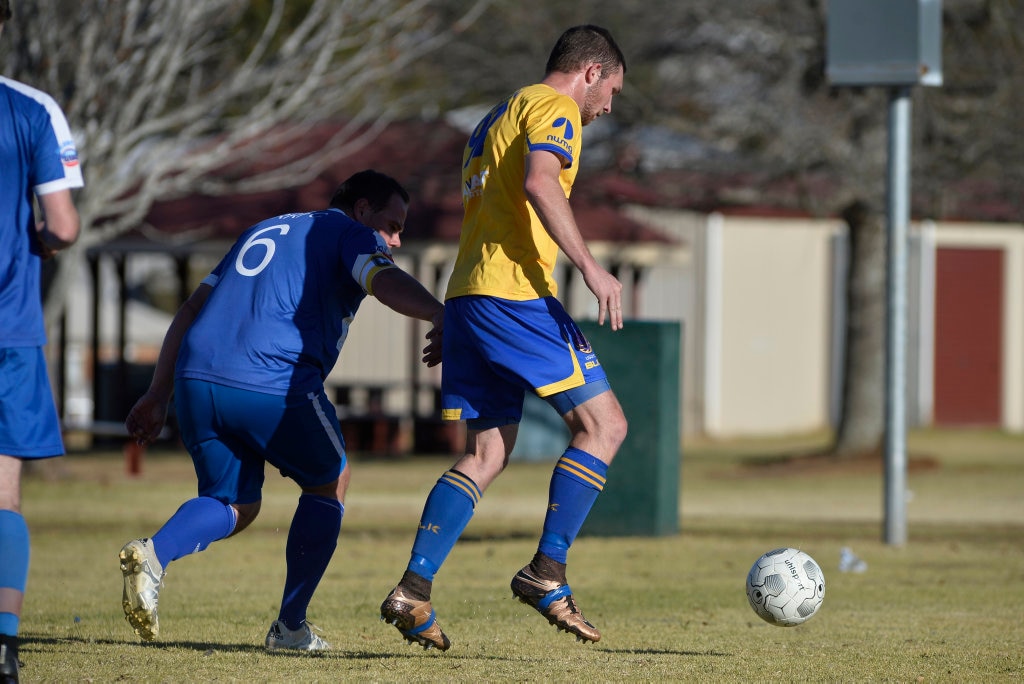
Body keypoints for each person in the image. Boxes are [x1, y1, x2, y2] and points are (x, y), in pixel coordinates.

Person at [119, 170, 444, 652]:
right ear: (361, 211)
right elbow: (384, 280)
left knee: (235, 503)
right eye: (392, 226)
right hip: (269, 380)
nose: (395, 240)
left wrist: (157, 392)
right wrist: (442, 314)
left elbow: (190, 309)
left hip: (196, 378)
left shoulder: (263, 228)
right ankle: (290, 627)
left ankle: (153, 553)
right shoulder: (345, 233)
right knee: (331, 480)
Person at [379, 25, 628, 651]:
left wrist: (461, 318)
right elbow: (540, 183)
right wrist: (592, 267)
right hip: (514, 294)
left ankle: (413, 588)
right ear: (591, 72)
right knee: (605, 428)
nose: (606, 110)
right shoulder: (556, 107)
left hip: (470, 294)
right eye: (612, 93)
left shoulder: (495, 116)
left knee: (486, 455)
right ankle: (547, 572)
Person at [0, 1, 84, 681]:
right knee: (4, 496)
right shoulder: (31, 110)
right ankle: (3, 645)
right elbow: (62, 223)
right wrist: (39, 245)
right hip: (9, 329)